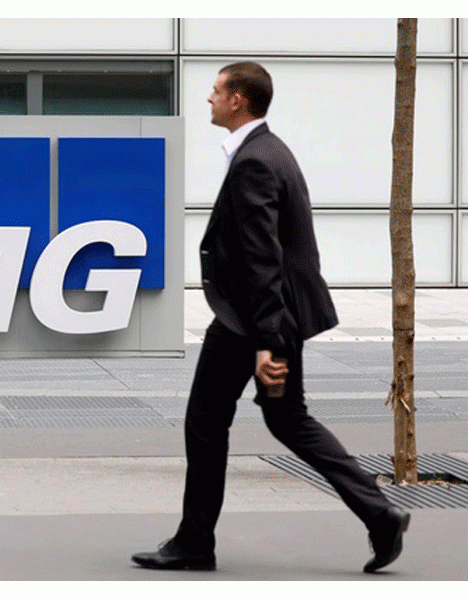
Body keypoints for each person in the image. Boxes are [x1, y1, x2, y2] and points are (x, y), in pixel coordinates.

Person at [131, 62, 409, 573]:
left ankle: (195, 543)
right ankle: (379, 513)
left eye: (215, 91)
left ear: (238, 100)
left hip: (250, 320)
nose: (207, 99)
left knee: (206, 420)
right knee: (287, 419)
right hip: (270, 316)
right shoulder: (270, 150)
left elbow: (264, 257)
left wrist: (266, 340)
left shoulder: (254, 161)